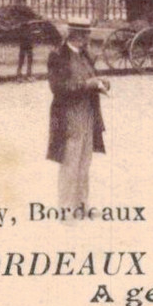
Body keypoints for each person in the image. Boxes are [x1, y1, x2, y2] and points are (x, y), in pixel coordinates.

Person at [47, 18, 108, 208]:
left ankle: (81, 205)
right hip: (69, 116)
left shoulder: (85, 55)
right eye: (84, 35)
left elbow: (90, 77)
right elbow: (58, 88)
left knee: (84, 163)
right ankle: (65, 208)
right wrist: (86, 85)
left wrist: (101, 82)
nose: (87, 38)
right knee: (70, 163)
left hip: (89, 114)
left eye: (87, 34)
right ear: (74, 35)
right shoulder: (58, 56)